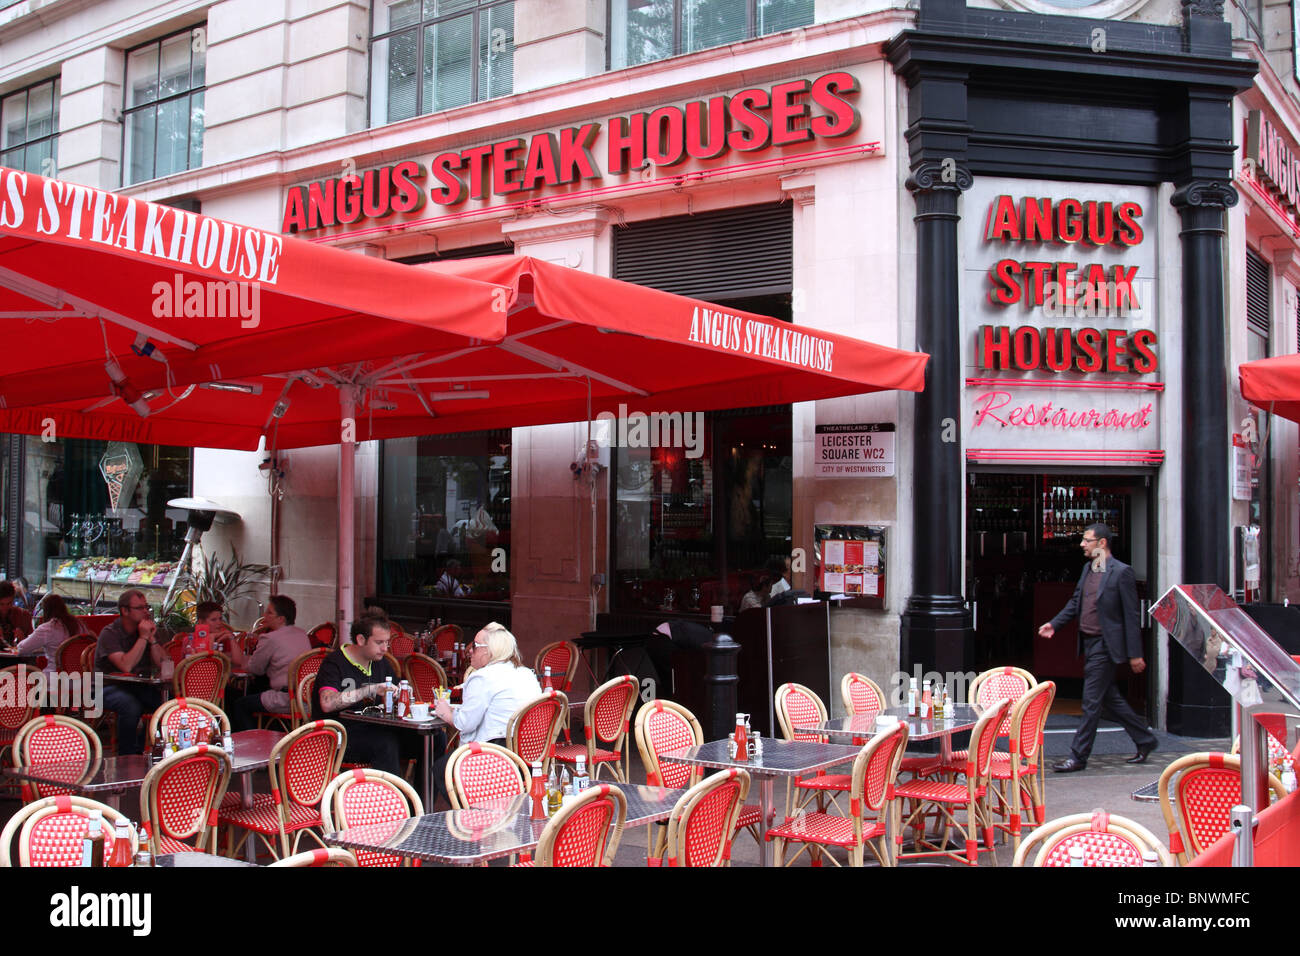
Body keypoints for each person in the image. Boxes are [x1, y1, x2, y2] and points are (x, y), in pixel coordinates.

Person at [1038, 523, 1158, 772]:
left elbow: (1131, 615)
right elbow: (1075, 603)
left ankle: (1078, 756)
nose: (1082, 544)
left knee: (1091, 702)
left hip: (1106, 645)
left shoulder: (1121, 573)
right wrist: (1054, 624)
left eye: (1087, 540)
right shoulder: (1088, 569)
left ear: (1102, 544)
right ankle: (1145, 739)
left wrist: (1135, 654)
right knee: (1110, 699)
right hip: (1090, 643)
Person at [431, 622, 539, 803]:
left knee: (442, 768)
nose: (469, 650)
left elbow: (465, 724)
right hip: (529, 752)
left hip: (495, 752)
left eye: (474, 646)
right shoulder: (526, 673)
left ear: (489, 651)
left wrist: (445, 712)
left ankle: (473, 819)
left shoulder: (482, 677)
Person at [312, 614, 423, 777]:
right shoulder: (335, 662)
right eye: (379, 642)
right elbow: (327, 703)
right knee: (386, 743)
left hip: (375, 729)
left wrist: (403, 692)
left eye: (387, 642)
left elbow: (395, 690)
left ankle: (419, 801)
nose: (385, 649)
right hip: (338, 736)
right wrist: (370, 689)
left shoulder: (380, 662)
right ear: (361, 640)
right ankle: (391, 800)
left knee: (431, 740)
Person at [225, 595, 312, 732]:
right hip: (307, 697)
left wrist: (241, 656)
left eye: (269, 612)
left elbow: (255, 669)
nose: (265, 615)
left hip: (286, 698)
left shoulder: (270, 638)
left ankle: (253, 742)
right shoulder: (302, 634)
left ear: (281, 619)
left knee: (240, 705)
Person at [96, 589, 165, 755]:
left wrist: (152, 640)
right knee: (129, 704)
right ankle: (126, 755)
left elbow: (164, 664)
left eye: (146, 607)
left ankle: (143, 747)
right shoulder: (110, 633)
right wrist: (142, 638)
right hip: (104, 686)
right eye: (140, 608)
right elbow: (125, 666)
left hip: (136, 686)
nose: (145, 612)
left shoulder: (145, 631)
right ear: (125, 611)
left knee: (165, 704)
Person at [17, 593, 86, 675]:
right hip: (82, 678)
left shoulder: (48, 628)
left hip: (56, 677)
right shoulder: (79, 624)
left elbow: (22, 649)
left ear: (46, 610)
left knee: (25, 678)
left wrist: (21, 639)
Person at [0, 581, 34, 645]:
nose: (5, 607)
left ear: (13, 599)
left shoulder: (23, 616)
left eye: (9, 603)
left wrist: (23, 639)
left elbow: (32, 646)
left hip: (18, 653)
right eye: (1, 604)